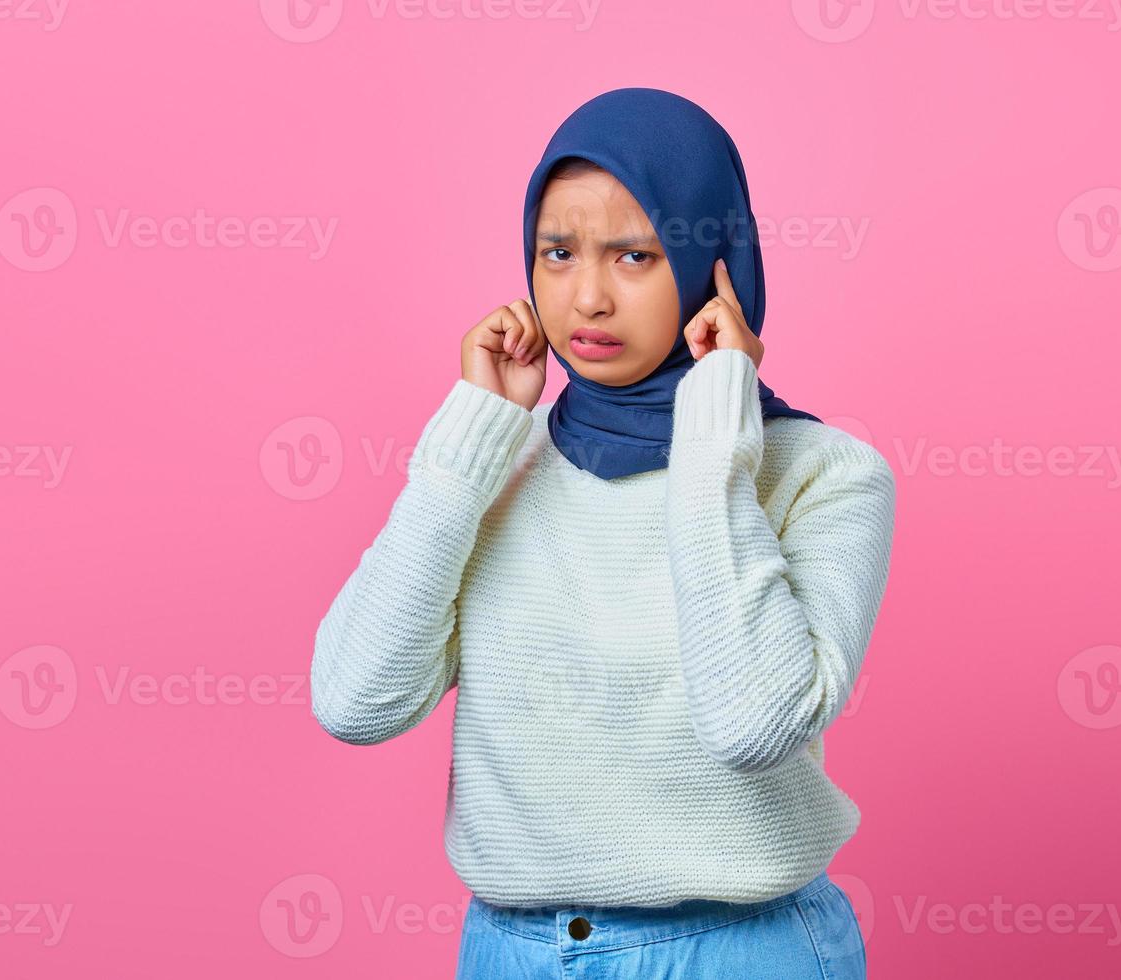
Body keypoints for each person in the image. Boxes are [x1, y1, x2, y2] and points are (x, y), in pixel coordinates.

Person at [310, 86, 896, 978]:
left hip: (739, 953)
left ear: (715, 263)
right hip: (510, 954)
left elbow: (753, 724)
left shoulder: (824, 475)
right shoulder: (497, 471)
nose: (585, 297)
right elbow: (355, 703)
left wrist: (711, 436)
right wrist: (472, 438)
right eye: (557, 252)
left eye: (634, 254)